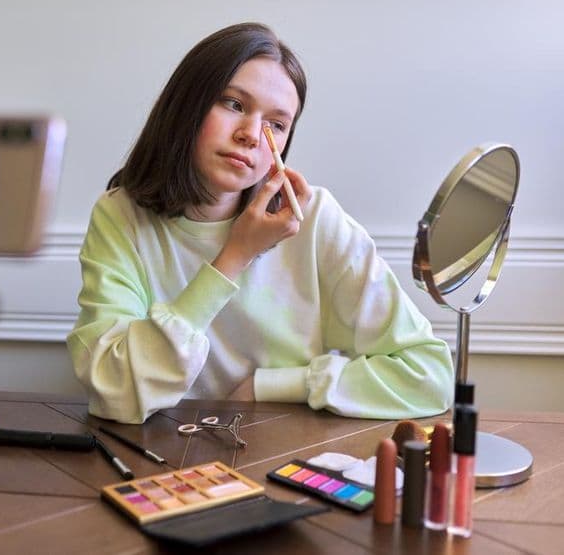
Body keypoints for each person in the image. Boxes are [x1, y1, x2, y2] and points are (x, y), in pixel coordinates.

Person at [67, 22, 453, 424]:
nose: (251, 135)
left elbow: (430, 374)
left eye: (276, 124)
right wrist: (236, 254)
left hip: (282, 454)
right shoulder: (120, 216)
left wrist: (272, 387)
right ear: (186, 105)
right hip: (160, 457)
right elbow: (115, 390)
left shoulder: (316, 220)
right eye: (233, 104)